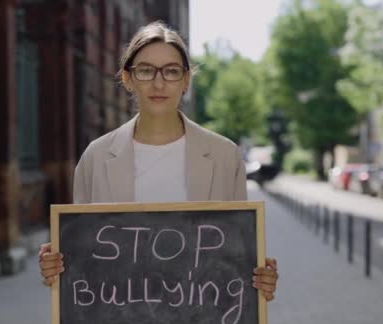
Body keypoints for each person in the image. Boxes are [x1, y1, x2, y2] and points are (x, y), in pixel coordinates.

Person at [38, 21, 278, 301]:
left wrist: (261, 280)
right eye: (145, 70)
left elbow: (238, 257)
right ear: (127, 79)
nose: (159, 82)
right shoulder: (96, 157)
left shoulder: (224, 156)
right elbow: (82, 258)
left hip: (203, 321)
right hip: (118, 323)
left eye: (172, 71)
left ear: (187, 80)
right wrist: (55, 266)